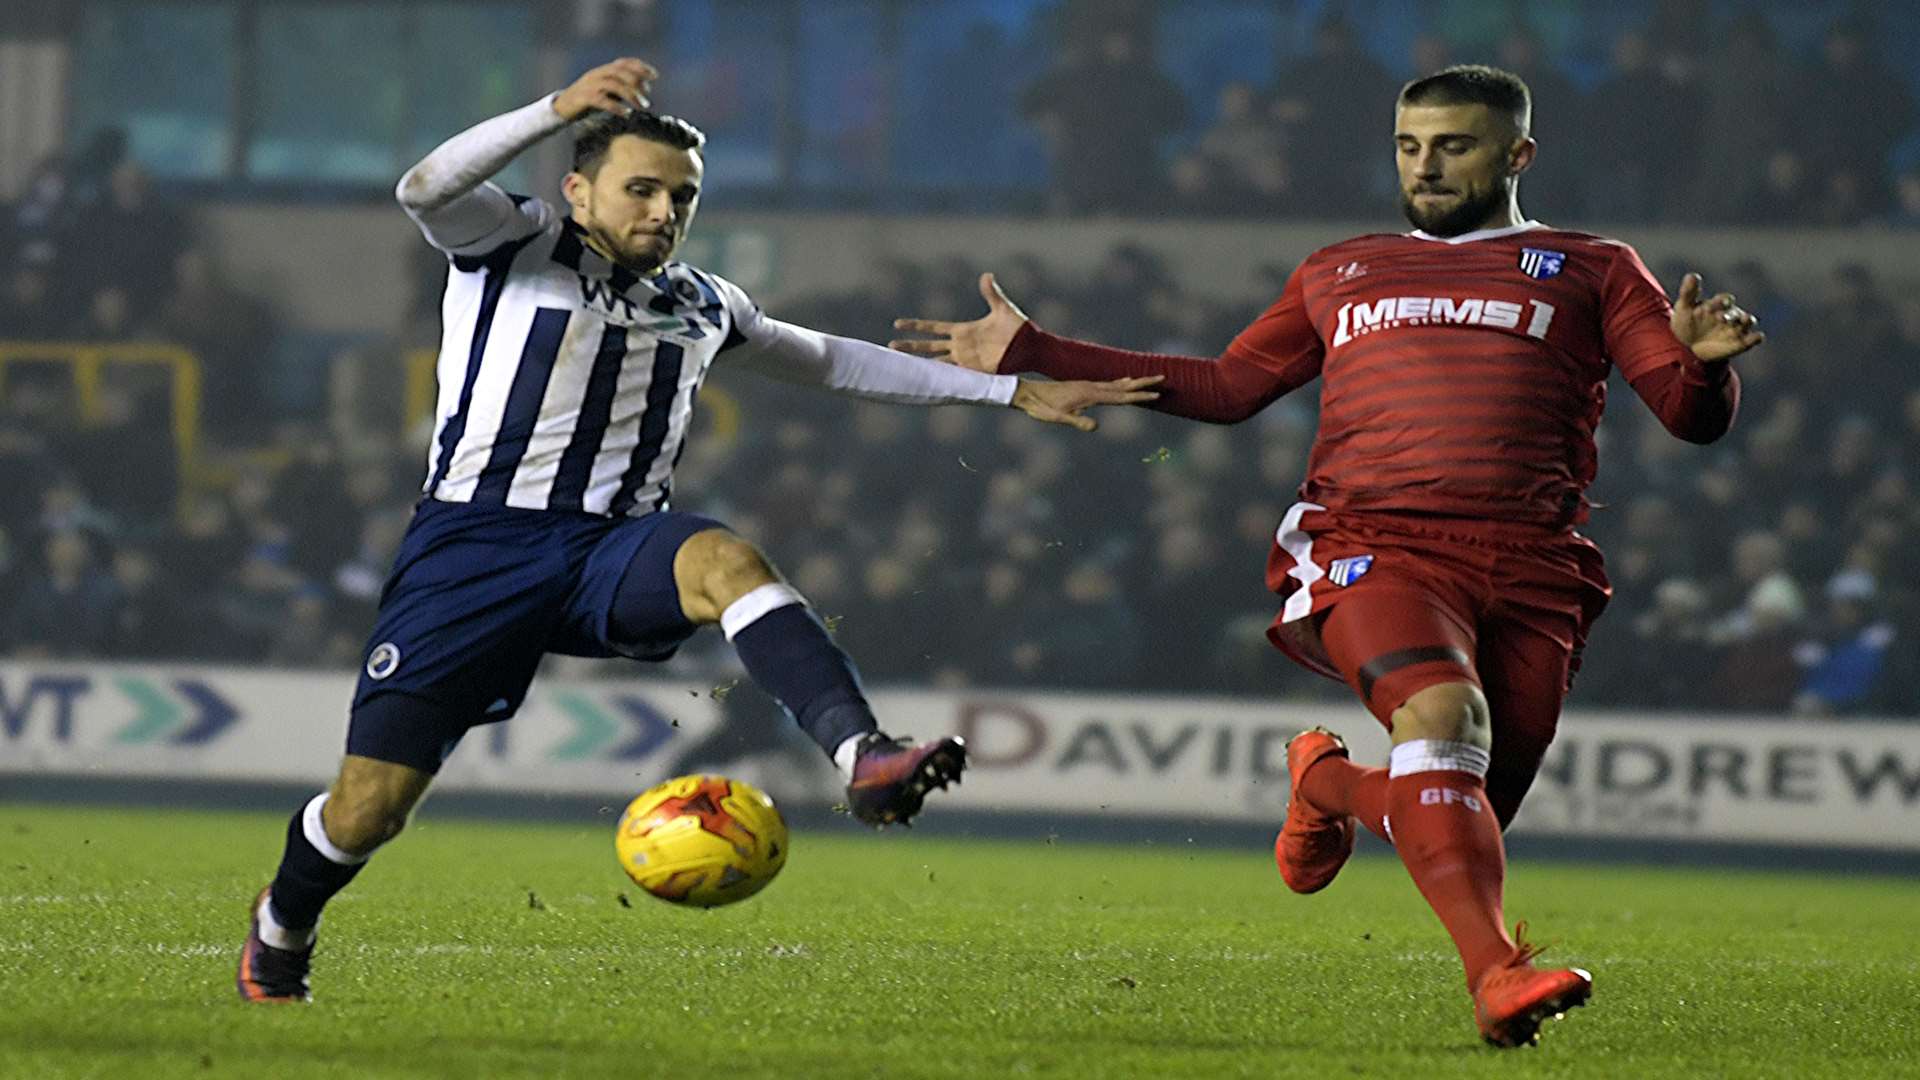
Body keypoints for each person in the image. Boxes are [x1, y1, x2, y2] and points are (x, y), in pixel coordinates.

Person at [236, 58, 1158, 1004]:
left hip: (610, 553)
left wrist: (1010, 389)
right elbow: (422, 186)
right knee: (368, 812)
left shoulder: (703, 302)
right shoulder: (514, 243)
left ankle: (864, 755)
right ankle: (282, 928)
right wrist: (553, 109)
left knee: (725, 559)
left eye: (681, 196)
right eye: (640, 189)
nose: (662, 212)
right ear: (577, 188)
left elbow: (836, 363)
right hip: (472, 553)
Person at [892, 65, 1764, 1047]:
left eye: (1454, 146)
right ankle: (1497, 979)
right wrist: (1038, 351)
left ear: (1518, 154)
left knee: (1458, 804)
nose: (1426, 166)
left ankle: (1329, 786)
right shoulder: (1340, 269)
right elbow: (1226, 386)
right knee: (1446, 722)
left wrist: (1702, 369)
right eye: (1409, 146)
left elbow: (1688, 419)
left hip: (1533, 564)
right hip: (1374, 542)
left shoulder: (1594, 266)